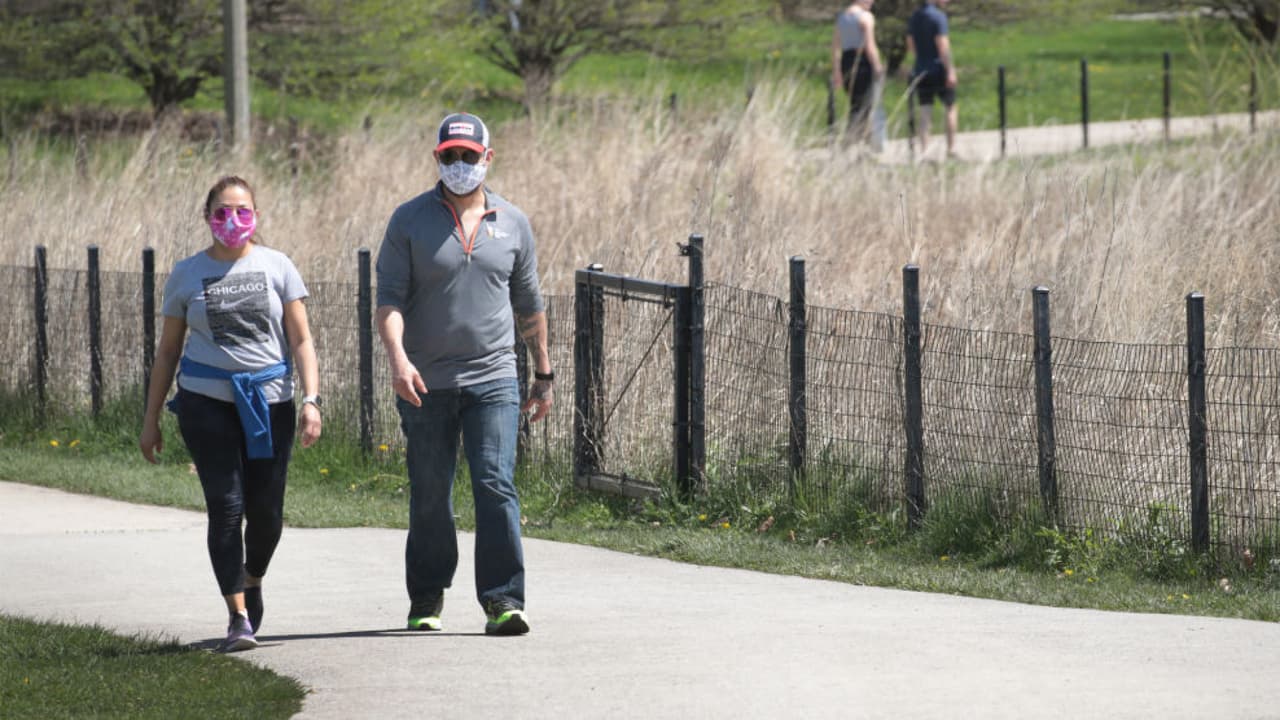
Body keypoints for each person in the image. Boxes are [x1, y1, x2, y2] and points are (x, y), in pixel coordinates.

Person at [375, 112, 552, 637]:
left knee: (494, 482)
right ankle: (427, 596)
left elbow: (529, 304)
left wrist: (543, 373)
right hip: (424, 381)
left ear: (487, 158)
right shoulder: (408, 221)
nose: (459, 164)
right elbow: (389, 302)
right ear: (437, 158)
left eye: (468, 156)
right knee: (431, 491)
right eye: (449, 156)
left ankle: (504, 600)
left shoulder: (513, 223)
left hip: (494, 377)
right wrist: (398, 360)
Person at [140, 175, 322, 652]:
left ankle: (252, 576)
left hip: (270, 403)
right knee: (226, 506)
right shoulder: (187, 274)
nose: (232, 220)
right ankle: (238, 616)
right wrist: (151, 419)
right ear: (207, 217)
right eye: (222, 211)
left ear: (256, 216)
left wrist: (311, 400)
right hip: (205, 403)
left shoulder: (277, 266)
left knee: (267, 514)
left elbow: (301, 339)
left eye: (242, 211)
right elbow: (167, 352)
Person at [907, 0, 958, 158]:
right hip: (938, 69)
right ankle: (951, 149)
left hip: (921, 69)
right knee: (950, 107)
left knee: (925, 111)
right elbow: (942, 45)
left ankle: (925, 151)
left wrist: (921, 59)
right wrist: (950, 70)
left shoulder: (914, 17)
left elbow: (910, 44)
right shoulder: (938, 17)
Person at [831, 0, 884, 145]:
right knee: (864, 106)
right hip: (862, 63)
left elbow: (835, 47)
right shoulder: (866, 17)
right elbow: (870, 45)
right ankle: (852, 141)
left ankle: (861, 142)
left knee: (855, 103)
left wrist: (837, 71)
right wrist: (877, 66)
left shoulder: (841, 18)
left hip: (846, 62)